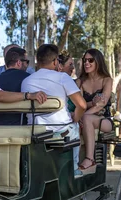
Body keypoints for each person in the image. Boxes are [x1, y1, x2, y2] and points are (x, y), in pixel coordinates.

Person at [21, 44, 87, 177]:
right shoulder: (62, 78)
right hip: (61, 131)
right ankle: (73, 170)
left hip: (35, 131)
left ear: (37, 61)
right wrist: (75, 118)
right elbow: (82, 105)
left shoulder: (26, 81)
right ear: (56, 61)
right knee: (74, 127)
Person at [0, 48, 39, 126]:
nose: (27, 65)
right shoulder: (29, 79)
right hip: (22, 127)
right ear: (19, 63)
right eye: (27, 62)